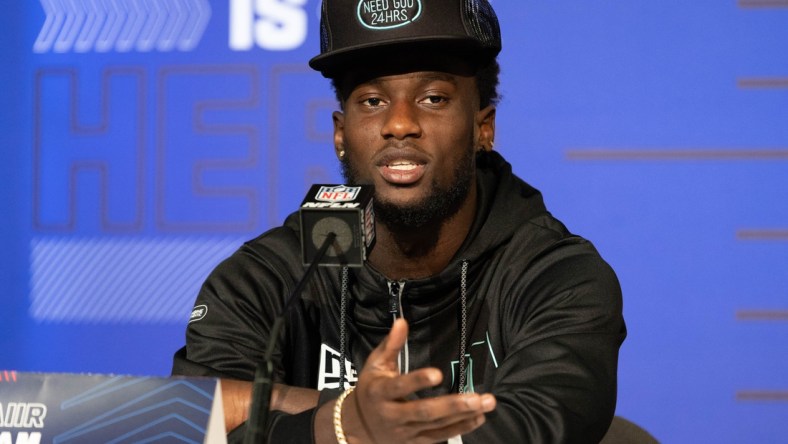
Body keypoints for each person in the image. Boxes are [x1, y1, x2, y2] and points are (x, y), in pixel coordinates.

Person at [172, 0, 626, 442]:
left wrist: (324, 416)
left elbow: (537, 426)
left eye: (433, 98)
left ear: (482, 129)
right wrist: (343, 423)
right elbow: (191, 423)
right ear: (339, 134)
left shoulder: (558, 276)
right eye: (371, 101)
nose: (400, 124)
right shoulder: (268, 278)